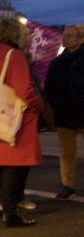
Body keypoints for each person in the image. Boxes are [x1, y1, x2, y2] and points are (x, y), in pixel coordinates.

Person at [0, 19, 41, 227]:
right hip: (16, 117)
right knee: (15, 165)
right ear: (16, 35)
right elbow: (24, 91)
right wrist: (38, 104)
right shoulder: (15, 56)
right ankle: (10, 212)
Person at [44, 24, 84, 200]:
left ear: (81, 39)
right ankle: (68, 185)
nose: (64, 38)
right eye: (64, 35)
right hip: (64, 112)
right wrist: (52, 107)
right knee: (67, 152)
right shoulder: (57, 62)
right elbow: (50, 87)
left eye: (70, 36)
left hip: (82, 110)